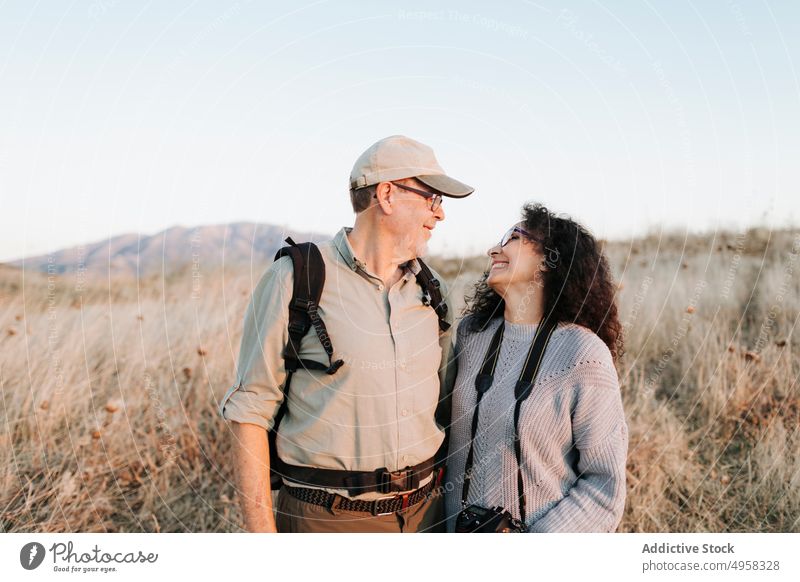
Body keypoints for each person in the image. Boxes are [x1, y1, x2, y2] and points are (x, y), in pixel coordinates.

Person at [219, 135, 474, 532]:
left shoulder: (433, 290)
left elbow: (445, 403)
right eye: (432, 198)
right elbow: (250, 409)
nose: (440, 214)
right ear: (387, 195)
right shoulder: (297, 278)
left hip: (428, 515)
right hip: (326, 521)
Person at [444, 203, 628, 532]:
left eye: (514, 237)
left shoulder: (582, 354)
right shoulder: (472, 335)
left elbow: (603, 489)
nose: (494, 249)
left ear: (548, 260)